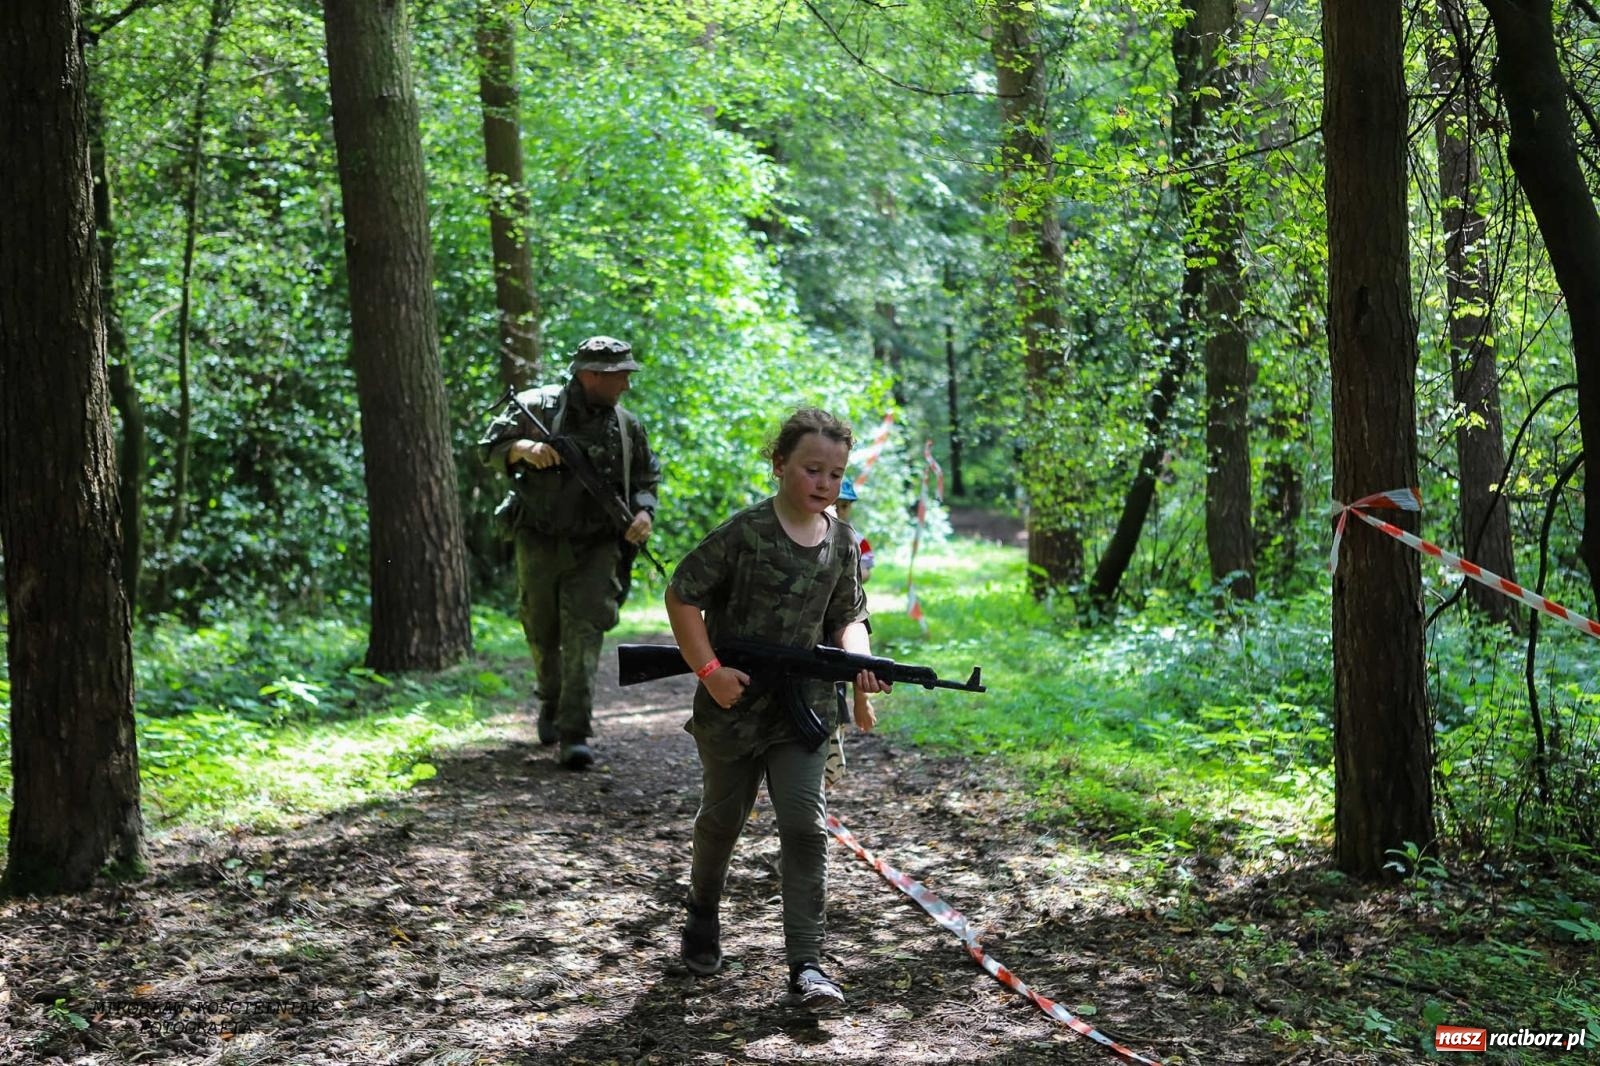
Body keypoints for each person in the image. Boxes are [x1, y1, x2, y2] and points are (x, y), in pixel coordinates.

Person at [664, 408, 888, 1013]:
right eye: (812, 469)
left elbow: (850, 616)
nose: (824, 483)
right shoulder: (745, 533)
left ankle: (808, 964)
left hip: (803, 711)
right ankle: (702, 912)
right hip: (733, 706)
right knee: (721, 822)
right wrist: (709, 672)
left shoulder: (841, 542)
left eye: (836, 474)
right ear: (780, 465)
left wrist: (860, 663)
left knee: (805, 829)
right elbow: (682, 595)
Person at [479, 335, 661, 771]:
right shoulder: (535, 407)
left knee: (584, 631)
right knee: (541, 627)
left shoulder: (626, 425)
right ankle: (551, 699)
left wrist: (644, 513)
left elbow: (647, 477)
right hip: (538, 537)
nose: (626, 386)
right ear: (590, 374)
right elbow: (489, 449)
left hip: (598, 545)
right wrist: (522, 449)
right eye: (620, 377)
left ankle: (574, 731)